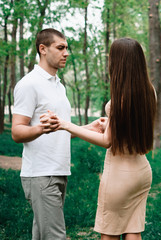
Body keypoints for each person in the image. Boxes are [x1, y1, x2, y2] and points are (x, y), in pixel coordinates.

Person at [41, 38, 157, 240]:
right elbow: (132, 128)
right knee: (133, 230)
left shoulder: (118, 100)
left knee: (110, 234)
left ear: (118, 62)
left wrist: (66, 125)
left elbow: (107, 142)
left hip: (120, 176)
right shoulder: (150, 93)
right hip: (142, 172)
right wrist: (108, 125)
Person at [11, 28, 103, 240]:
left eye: (67, 48)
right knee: (55, 236)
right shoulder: (29, 84)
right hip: (41, 174)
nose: (66, 53)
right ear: (42, 49)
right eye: (60, 48)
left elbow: (61, 130)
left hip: (59, 171)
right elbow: (17, 131)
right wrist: (41, 128)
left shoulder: (58, 86)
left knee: (42, 235)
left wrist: (91, 127)